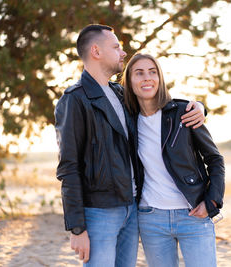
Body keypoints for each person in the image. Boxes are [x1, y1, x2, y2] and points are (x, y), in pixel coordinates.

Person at [54, 24, 205, 267]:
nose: (123, 53)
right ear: (96, 51)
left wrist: (198, 106)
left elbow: (159, 101)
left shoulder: (120, 94)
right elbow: (68, 167)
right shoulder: (75, 100)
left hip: (131, 208)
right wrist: (77, 228)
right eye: (116, 47)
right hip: (100, 212)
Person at [122, 53, 225, 267]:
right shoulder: (127, 121)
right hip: (151, 218)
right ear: (129, 81)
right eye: (138, 73)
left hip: (194, 214)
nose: (146, 78)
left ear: (160, 78)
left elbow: (214, 159)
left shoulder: (183, 112)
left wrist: (212, 202)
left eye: (152, 72)